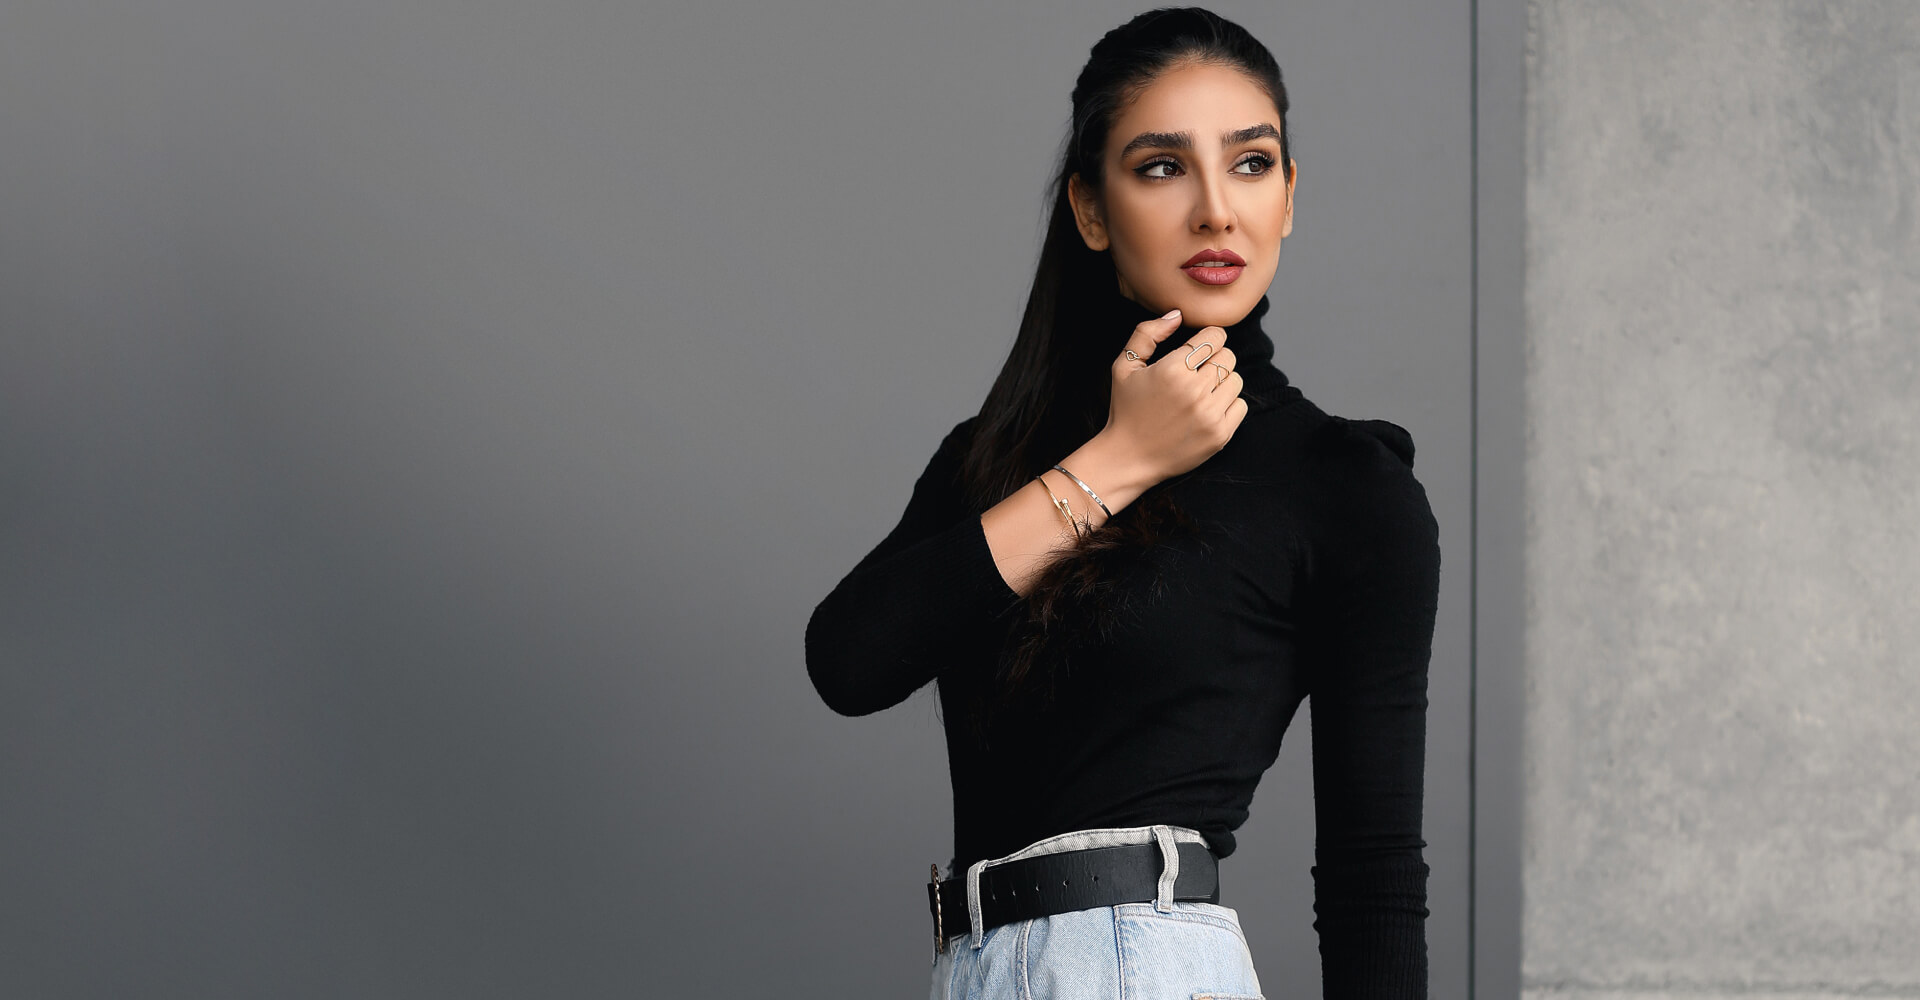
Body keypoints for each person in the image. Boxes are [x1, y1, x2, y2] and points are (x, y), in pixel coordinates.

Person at [803, 7, 1440, 998]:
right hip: (973, 968)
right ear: (1091, 210)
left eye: (1251, 163)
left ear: (1288, 197)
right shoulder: (993, 456)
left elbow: (1375, 873)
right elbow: (849, 661)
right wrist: (1120, 460)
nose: (1216, 211)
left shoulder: (1346, 486)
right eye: (1162, 167)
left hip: (1145, 967)